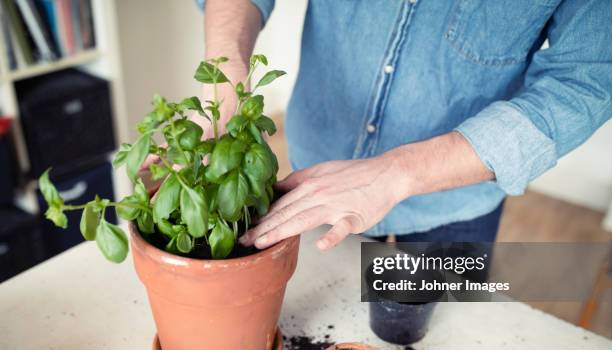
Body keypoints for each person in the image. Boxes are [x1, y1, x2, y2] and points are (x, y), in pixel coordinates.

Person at [196, 0, 612, 250]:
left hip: (455, 200)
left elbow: (586, 79)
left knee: (438, 347)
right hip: (316, 182)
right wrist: (228, 65)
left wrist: (396, 172)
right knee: (333, 326)